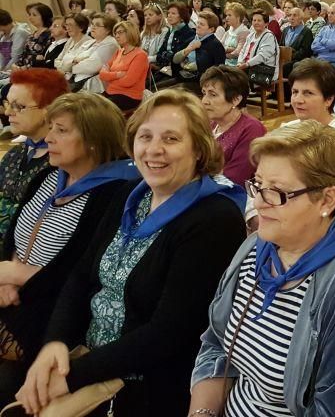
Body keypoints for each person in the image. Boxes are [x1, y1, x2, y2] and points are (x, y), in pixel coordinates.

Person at [13, 90, 247, 416]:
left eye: (171, 138)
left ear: (198, 149)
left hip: (144, 382)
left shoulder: (214, 218)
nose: (154, 149)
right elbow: (81, 277)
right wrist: (55, 344)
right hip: (88, 357)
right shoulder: (128, 195)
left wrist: (71, 377)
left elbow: (169, 333)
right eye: (145, 136)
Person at [190, 121, 335, 416]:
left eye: (277, 192)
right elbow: (216, 344)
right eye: (258, 185)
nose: (258, 203)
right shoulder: (256, 249)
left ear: (327, 200)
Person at [0, 94, 137, 397]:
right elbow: (13, 236)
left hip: (47, 314)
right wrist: (5, 278)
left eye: (61, 130)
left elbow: (79, 271)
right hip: (8, 295)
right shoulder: (49, 177)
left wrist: (16, 277)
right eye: (51, 128)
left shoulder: (112, 194)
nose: (48, 137)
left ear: (93, 139)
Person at [0, 70, 69, 236]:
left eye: (18, 106)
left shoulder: (64, 164)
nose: (8, 112)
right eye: (7, 103)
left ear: (49, 109)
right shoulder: (16, 153)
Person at [200, 66, 266, 186]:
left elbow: (234, 179)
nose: (204, 101)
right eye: (204, 93)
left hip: (231, 197)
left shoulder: (251, 129)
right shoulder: (211, 124)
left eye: (213, 95)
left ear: (236, 100)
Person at [284, 58, 335, 145]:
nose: (298, 100)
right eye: (295, 92)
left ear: (329, 99)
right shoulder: (286, 131)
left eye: (308, 93)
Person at [96, 21, 149, 111]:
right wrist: (117, 75)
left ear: (130, 32)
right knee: (87, 105)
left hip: (129, 96)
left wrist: (110, 78)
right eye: (115, 33)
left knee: (98, 110)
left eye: (120, 32)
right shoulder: (119, 52)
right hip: (111, 92)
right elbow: (102, 74)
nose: (116, 36)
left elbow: (128, 81)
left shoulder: (140, 55)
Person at [172, 11, 227, 87]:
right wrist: (189, 49)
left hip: (200, 83)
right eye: (198, 23)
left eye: (202, 24)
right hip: (182, 76)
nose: (198, 26)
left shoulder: (216, 45)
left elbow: (219, 71)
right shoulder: (191, 39)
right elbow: (175, 60)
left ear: (211, 29)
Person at [69, 12, 119, 91]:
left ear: (108, 30)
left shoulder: (110, 44)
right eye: (92, 24)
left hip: (94, 86)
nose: (93, 27)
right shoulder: (93, 42)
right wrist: (75, 61)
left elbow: (92, 66)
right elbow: (72, 57)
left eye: (98, 25)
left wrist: (72, 66)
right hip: (78, 81)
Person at [151, 1, 195, 84]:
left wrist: (166, 56)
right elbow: (160, 53)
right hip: (165, 69)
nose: (169, 16)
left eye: (173, 13)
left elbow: (176, 57)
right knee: (146, 83)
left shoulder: (189, 33)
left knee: (154, 88)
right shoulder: (170, 31)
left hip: (180, 73)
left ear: (182, 17)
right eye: (168, 13)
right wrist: (166, 56)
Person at [5, 3, 52, 74]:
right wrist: (16, 65)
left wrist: (26, 66)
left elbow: (42, 58)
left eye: (34, 15)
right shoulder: (31, 36)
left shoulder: (50, 34)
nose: (30, 18)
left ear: (44, 16)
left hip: (38, 72)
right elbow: (24, 55)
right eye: (29, 15)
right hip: (23, 70)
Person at [235, 9, 279, 84]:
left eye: (259, 20)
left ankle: (240, 94)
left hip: (264, 71)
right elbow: (243, 51)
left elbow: (262, 56)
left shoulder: (269, 36)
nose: (256, 23)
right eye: (254, 20)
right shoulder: (251, 35)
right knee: (228, 72)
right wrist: (239, 63)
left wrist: (246, 64)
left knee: (234, 76)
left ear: (266, 23)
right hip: (248, 67)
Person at [53, 14, 94, 80]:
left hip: (77, 80)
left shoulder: (89, 43)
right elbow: (56, 61)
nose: (67, 28)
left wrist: (63, 67)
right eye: (66, 25)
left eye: (70, 25)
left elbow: (74, 66)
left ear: (81, 27)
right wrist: (65, 66)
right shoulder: (70, 40)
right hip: (64, 77)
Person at [281, 7, 313, 76]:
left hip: (299, 60)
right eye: (290, 15)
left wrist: (289, 56)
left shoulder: (306, 31)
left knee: (284, 67)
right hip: (284, 59)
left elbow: (305, 51)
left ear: (301, 18)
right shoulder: (285, 30)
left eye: (295, 15)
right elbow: (280, 46)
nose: (291, 18)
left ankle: (287, 86)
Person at [139, 3, 168, 70]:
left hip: (158, 67)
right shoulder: (143, 33)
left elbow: (161, 54)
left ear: (159, 16)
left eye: (150, 15)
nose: (147, 17)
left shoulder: (164, 32)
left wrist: (146, 59)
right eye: (145, 15)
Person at [222, 2, 250, 67]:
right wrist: (229, 49)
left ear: (238, 17)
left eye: (229, 15)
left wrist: (223, 54)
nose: (226, 18)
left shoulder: (244, 32)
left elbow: (238, 53)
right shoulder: (229, 31)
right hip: (225, 64)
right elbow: (219, 46)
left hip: (236, 66)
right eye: (226, 15)